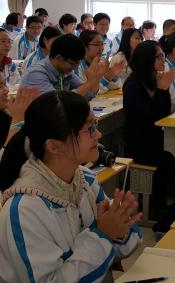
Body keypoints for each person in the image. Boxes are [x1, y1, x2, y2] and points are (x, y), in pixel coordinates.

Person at [0, 91, 142, 282]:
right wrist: (103, 234)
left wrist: (120, 223)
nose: (98, 134)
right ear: (54, 146)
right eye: (90, 129)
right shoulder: (24, 210)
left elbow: (122, 248)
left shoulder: (84, 180)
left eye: (95, 125)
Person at [123, 41, 175, 208]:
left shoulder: (153, 79)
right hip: (140, 143)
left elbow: (163, 113)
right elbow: (147, 119)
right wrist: (161, 90)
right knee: (169, 158)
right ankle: (160, 206)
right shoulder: (133, 85)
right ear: (147, 60)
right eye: (159, 57)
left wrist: (163, 89)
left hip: (154, 137)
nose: (163, 60)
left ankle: (173, 200)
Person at [20, 34, 107, 98]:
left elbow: (88, 95)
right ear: (59, 58)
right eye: (73, 64)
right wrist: (89, 83)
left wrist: (96, 78)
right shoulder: (36, 74)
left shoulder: (65, 71)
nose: (75, 67)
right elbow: (57, 102)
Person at [0, 77, 38, 160]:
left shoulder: (4, 114)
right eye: (0, 87)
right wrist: (17, 122)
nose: (7, 90)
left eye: (5, 84)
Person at [76, 30, 125, 95]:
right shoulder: (78, 65)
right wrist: (107, 77)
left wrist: (113, 75)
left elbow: (116, 85)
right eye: (97, 44)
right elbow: (88, 92)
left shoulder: (102, 61)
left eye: (102, 44)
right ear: (84, 46)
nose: (101, 48)